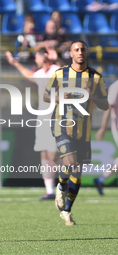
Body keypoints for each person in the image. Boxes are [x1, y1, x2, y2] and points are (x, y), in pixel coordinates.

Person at [44, 40, 109, 225]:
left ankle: (67, 211)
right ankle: (60, 185)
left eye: (83, 49)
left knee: (78, 171)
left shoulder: (96, 77)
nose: (80, 52)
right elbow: (46, 95)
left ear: (87, 53)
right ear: (71, 54)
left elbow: (105, 105)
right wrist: (58, 97)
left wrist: (92, 95)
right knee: (71, 163)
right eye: (76, 50)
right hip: (62, 124)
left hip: (84, 129)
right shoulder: (60, 73)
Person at [6, 47, 62, 200]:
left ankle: (66, 181)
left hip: (55, 117)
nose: (35, 60)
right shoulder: (41, 73)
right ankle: (50, 190)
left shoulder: (56, 69)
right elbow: (29, 75)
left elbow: (66, 73)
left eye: (36, 57)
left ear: (43, 57)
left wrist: (56, 59)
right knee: (44, 154)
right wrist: (15, 63)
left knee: (53, 154)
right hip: (42, 119)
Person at [94, 80, 118, 195]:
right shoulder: (115, 87)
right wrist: (103, 128)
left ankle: (102, 178)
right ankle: (102, 178)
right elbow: (108, 107)